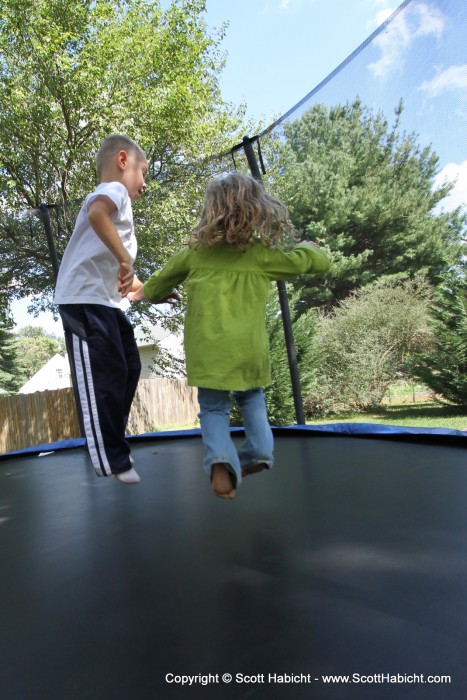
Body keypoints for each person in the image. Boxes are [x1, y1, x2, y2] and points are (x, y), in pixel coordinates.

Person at [129, 173, 330, 498]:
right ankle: (260, 453)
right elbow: (310, 263)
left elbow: (155, 285)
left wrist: (145, 293)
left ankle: (220, 461)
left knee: (213, 409)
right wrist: (312, 249)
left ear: (211, 212)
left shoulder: (195, 253)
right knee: (252, 398)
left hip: (209, 351)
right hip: (249, 350)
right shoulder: (261, 254)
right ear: (256, 210)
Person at [54, 134, 150, 484]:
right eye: (144, 172)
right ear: (123, 161)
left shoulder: (120, 207)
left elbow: (131, 284)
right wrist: (125, 258)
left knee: (129, 366)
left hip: (105, 304)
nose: (145, 184)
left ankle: (111, 441)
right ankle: (108, 455)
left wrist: (150, 289)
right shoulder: (114, 192)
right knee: (106, 374)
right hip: (83, 301)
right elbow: (97, 214)